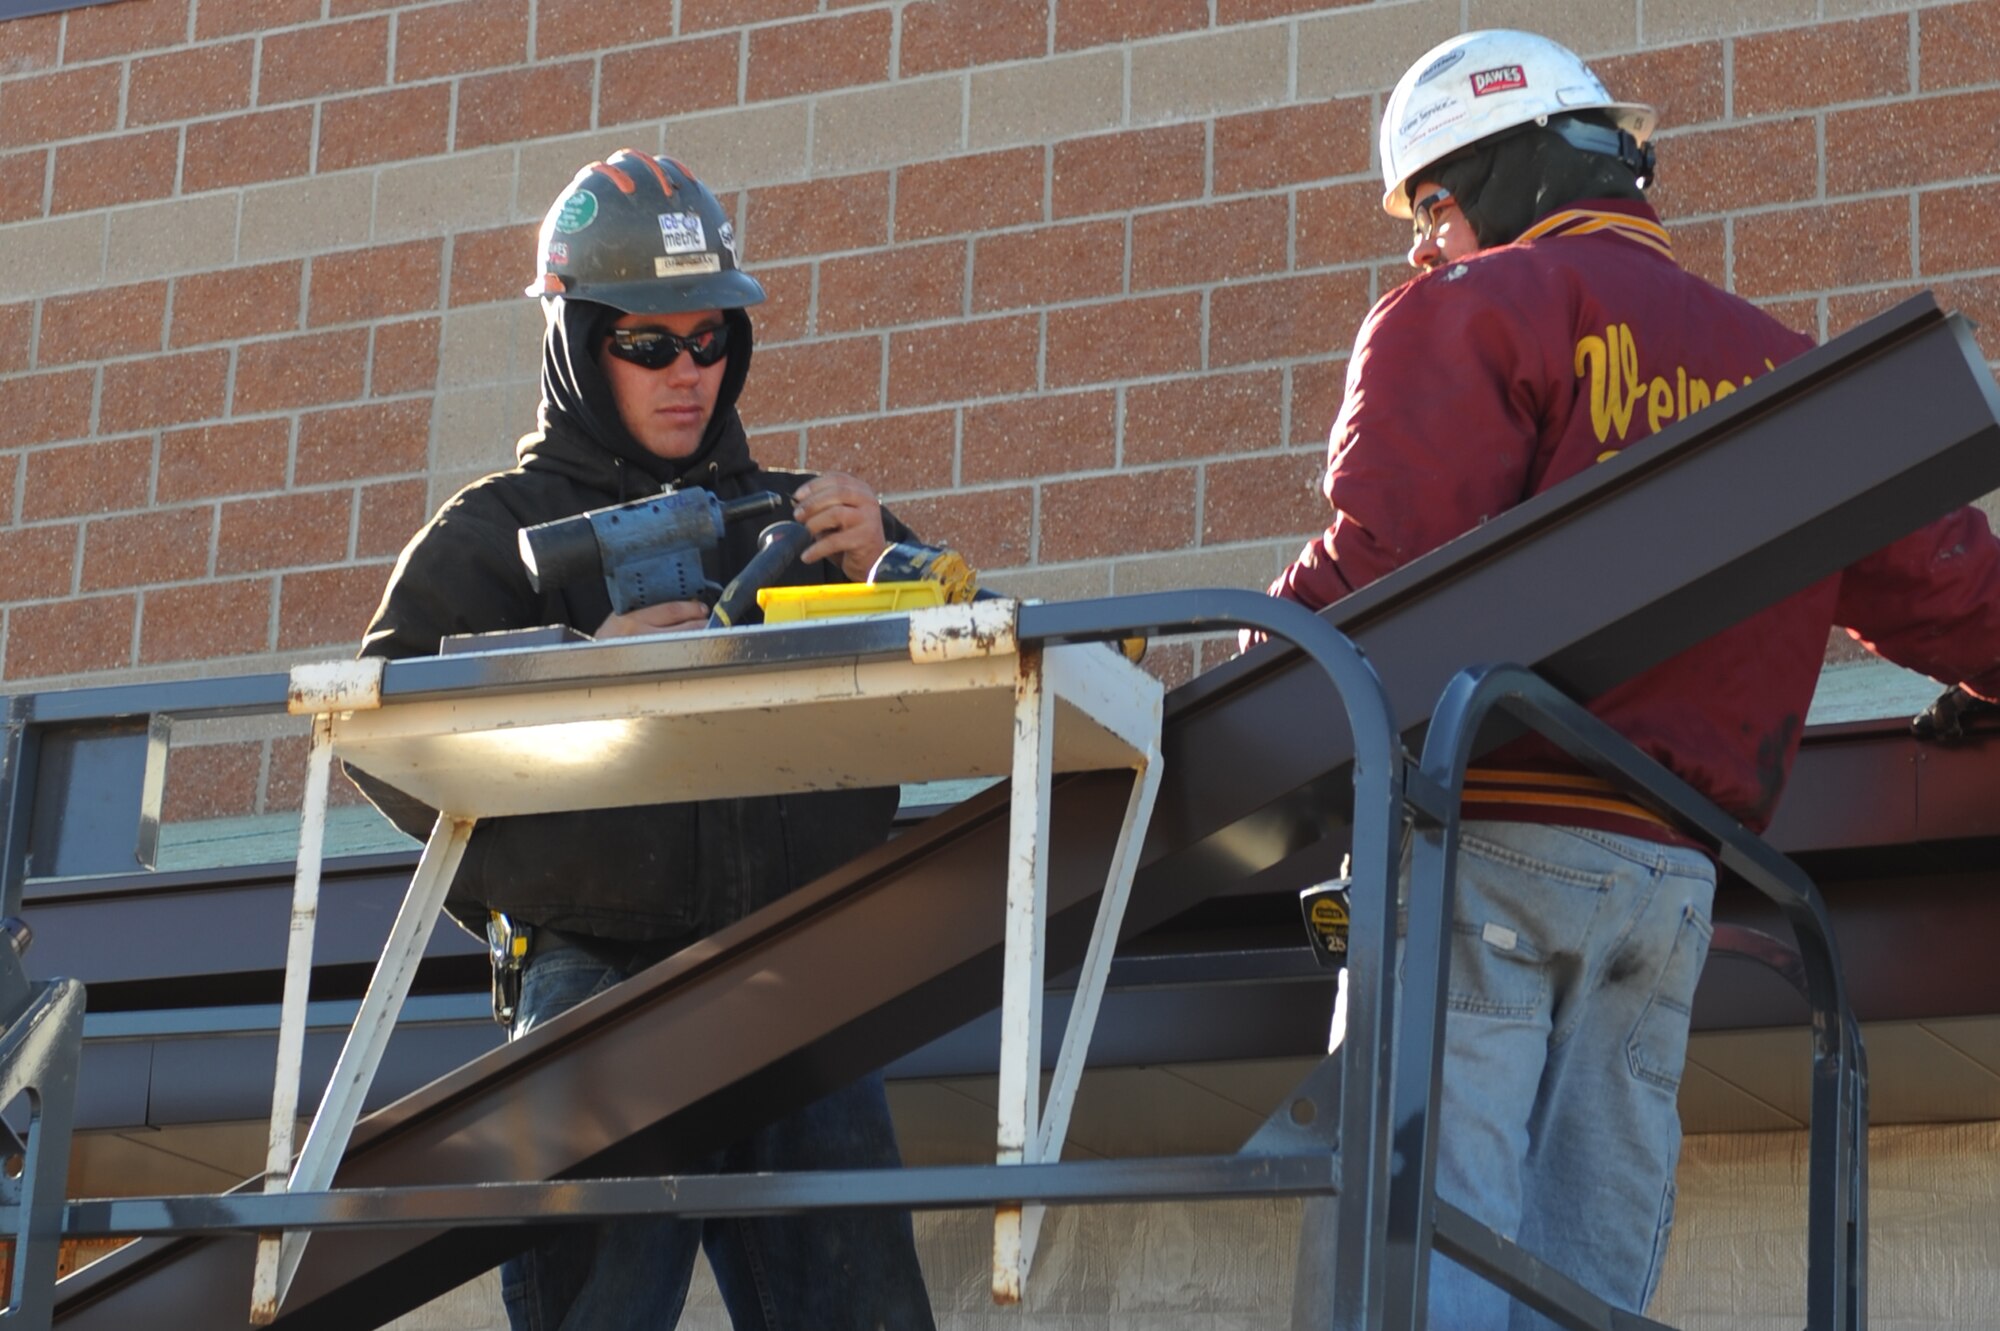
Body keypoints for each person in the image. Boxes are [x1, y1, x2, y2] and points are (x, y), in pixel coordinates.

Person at [1268, 29, 2000, 1330]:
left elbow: (1380, 564)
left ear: (1501, 177)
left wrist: (1245, 680)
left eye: (1432, 203)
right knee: (1583, 1280)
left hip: (1484, 843)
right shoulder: (1791, 381)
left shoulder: (1475, 312)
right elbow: (1956, 588)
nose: (1420, 245)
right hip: (1668, 887)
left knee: (1417, 1267)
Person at [356, 150, 937, 1331]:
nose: (689, 373)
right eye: (649, 345)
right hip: (592, 974)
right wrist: (576, 666)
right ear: (578, 342)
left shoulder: (803, 523)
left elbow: (976, 657)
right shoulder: (496, 533)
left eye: (710, 339)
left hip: (796, 963)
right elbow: (377, 723)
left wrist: (892, 565)